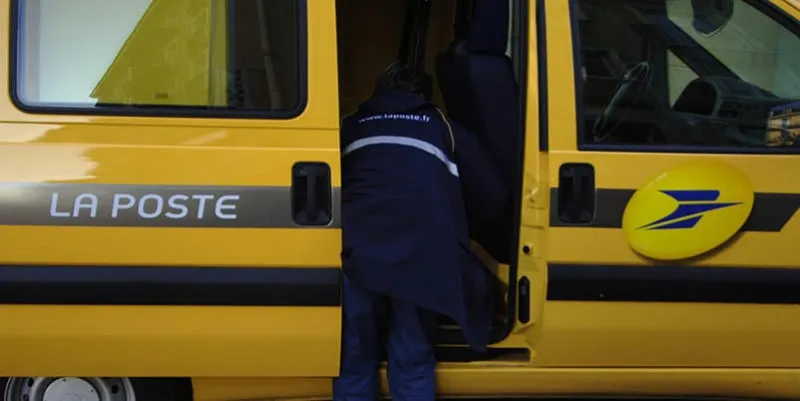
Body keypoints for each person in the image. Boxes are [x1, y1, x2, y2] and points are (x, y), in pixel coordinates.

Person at [334, 60, 507, 401]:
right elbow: (493, 194)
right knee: (412, 353)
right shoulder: (444, 126)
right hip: (421, 255)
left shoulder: (348, 125)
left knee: (354, 354)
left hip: (359, 254)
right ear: (427, 97)